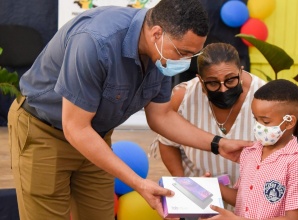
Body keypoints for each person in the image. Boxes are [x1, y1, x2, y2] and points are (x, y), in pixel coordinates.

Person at [7, 1, 252, 220]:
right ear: (157, 33)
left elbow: (161, 116)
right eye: (183, 53)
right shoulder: (95, 41)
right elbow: (75, 127)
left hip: (96, 137)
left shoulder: (160, 54)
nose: (186, 62)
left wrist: (219, 144)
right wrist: (139, 184)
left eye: (193, 54)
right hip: (45, 132)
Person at [151, 43, 265, 205]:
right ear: (200, 80)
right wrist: (184, 184)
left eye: (231, 80)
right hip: (200, 200)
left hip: (251, 203)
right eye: (213, 83)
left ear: (241, 70)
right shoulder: (183, 97)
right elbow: (167, 143)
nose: (223, 89)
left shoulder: (264, 97)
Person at [205, 79, 298, 220]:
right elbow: (243, 198)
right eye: (256, 119)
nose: (258, 126)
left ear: (289, 122)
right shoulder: (250, 152)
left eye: (265, 121)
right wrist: (212, 187)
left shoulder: (297, 163)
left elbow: (294, 218)